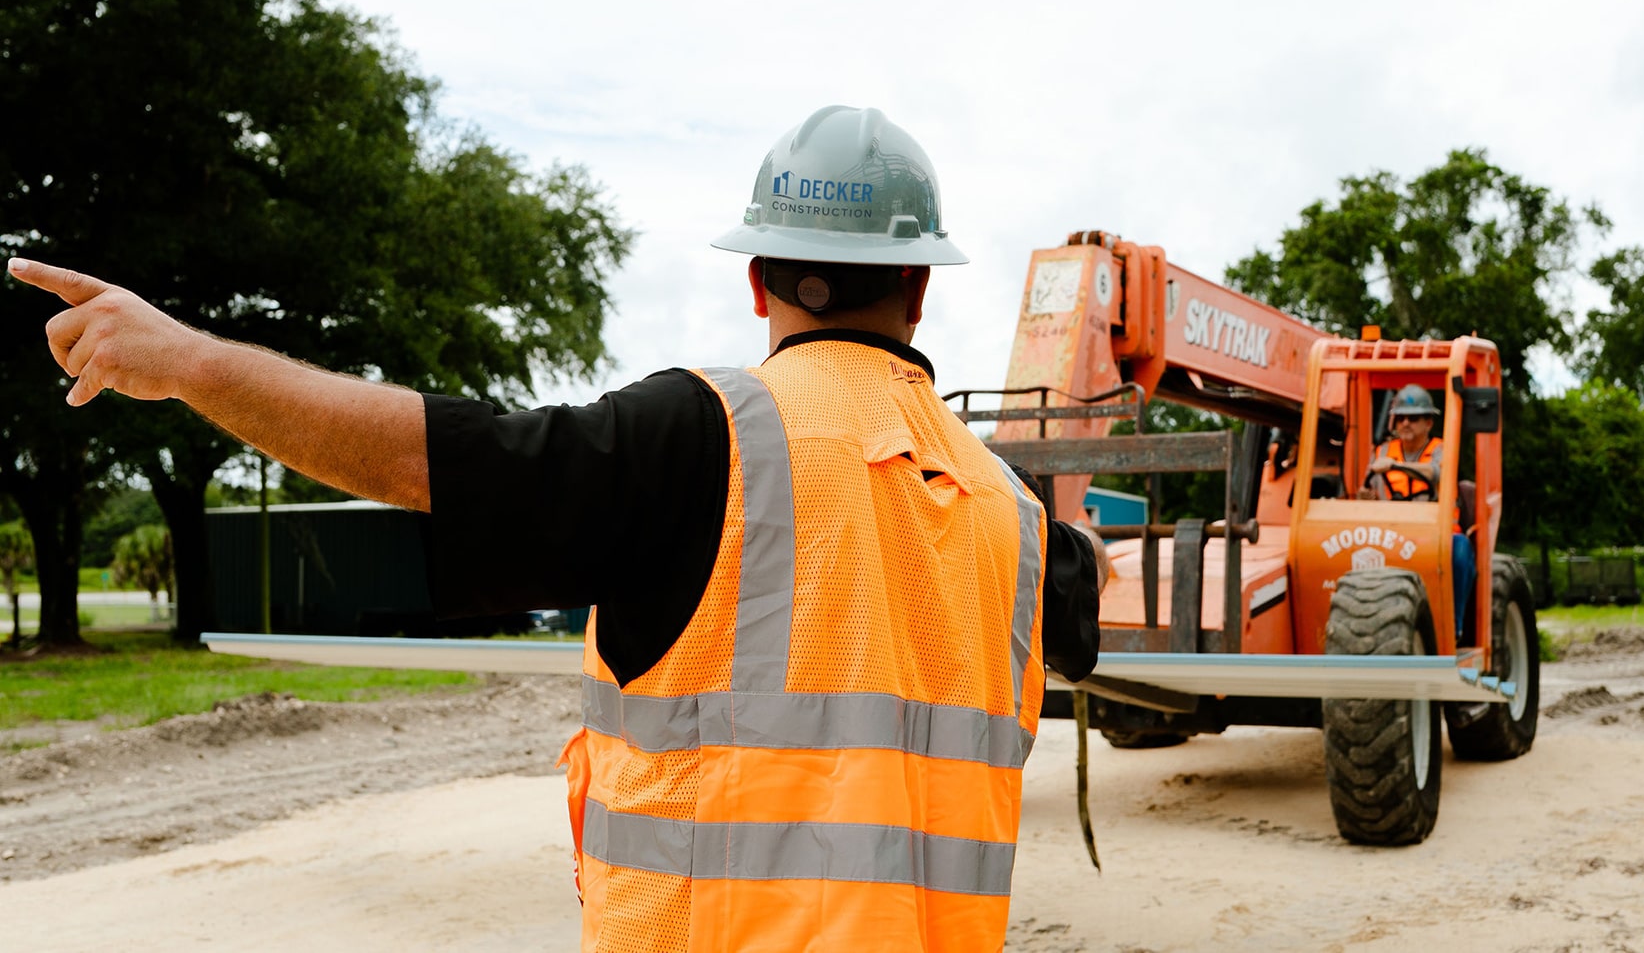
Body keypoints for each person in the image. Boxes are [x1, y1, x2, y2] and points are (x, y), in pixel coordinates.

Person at [10, 104, 1105, 952]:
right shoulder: (1006, 513)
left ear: (761, 279)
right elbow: (1079, 585)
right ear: (920, 286)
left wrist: (189, 362)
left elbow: (425, 454)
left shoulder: (696, 438)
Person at [1359, 383, 1476, 640]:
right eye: (1400, 418)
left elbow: (1437, 473)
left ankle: (1453, 627)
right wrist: (1365, 496)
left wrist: (1395, 466)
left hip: (1434, 537)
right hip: (1390, 536)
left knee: (1460, 549)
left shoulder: (1441, 449)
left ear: (1428, 423)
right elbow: (1367, 489)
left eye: (1413, 418)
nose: (1405, 423)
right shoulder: (1381, 453)